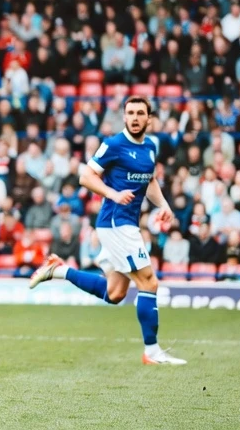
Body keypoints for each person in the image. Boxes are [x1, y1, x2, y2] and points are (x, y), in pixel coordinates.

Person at [28, 96, 186, 365]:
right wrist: (113, 193)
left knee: (115, 294)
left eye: (140, 113)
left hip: (125, 224)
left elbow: (150, 181)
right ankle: (152, 352)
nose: (135, 118)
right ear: (124, 117)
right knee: (149, 282)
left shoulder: (149, 146)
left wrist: (164, 205)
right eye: (130, 113)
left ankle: (58, 269)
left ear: (149, 118)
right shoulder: (113, 144)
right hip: (116, 223)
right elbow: (86, 176)